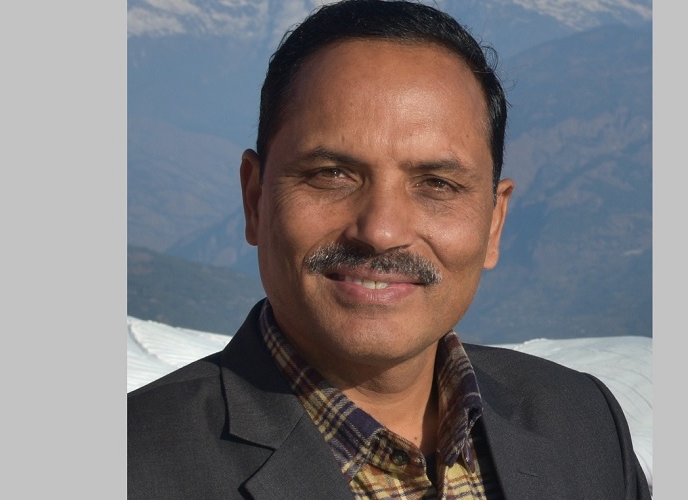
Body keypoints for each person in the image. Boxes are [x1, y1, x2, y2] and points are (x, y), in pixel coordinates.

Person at [127, 1, 650, 498]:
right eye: (331, 174)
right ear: (255, 199)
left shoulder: (583, 424)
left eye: (437, 184)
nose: (380, 231)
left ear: (494, 223)